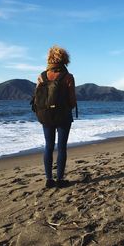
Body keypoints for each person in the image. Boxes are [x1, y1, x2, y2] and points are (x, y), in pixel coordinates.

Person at [36, 45, 77, 188]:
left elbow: (37, 99)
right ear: (65, 59)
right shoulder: (68, 77)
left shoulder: (41, 76)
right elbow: (72, 101)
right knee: (61, 148)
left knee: (48, 146)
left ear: (49, 59)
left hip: (45, 116)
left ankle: (49, 179)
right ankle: (59, 180)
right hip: (63, 116)